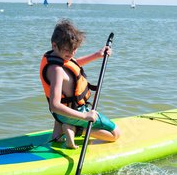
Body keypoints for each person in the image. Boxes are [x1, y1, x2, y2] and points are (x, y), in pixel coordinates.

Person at [40, 19, 121, 149]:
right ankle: (75, 129)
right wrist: (85, 116)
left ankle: (59, 132)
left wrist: (97, 54)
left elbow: (73, 63)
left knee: (64, 109)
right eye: (68, 50)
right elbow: (55, 105)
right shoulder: (56, 71)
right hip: (72, 112)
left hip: (60, 115)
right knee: (115, 134)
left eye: (75, 49)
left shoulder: (55, 57)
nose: (71, 53)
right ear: (54, 45)